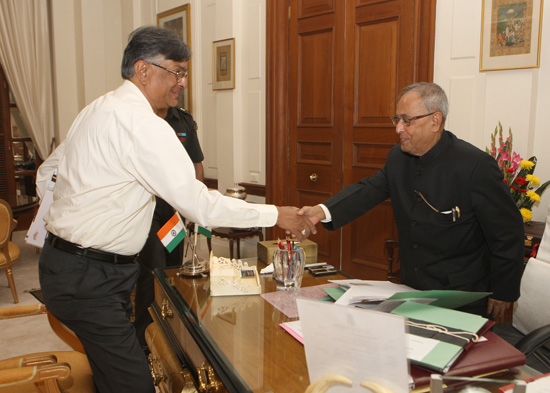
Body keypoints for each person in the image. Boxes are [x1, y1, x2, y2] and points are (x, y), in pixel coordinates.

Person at [35, 26, 315, 393]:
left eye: (185, 72)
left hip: (67, 265)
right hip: (91, 279)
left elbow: (50, 174)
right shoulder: (142, 125)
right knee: (133, 382)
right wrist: (277, 214)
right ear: (144, 70)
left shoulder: (97, 108)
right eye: (177, 71)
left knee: (111, 374)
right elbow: (200, 204)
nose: (183, 81)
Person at [300, 82, 524, 321]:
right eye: (397, 119)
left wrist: (503, 292)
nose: (398, 128)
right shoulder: (398, 157)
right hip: (412, 288)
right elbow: (369, 190)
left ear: (435, 121)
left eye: (407, 120)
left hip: (461, 297)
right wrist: (321, 211)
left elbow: (507, 233)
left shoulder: (475, 166)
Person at [133, 105, 204, 351]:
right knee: (153, 270)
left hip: (174, 211)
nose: (178, 84)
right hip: (146, 208)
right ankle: (143, 338)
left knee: (173, 270)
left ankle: (172, 334)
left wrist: (194, 206)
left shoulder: (183, 121)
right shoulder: (138, 117)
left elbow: (196, 165)